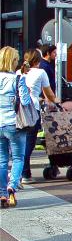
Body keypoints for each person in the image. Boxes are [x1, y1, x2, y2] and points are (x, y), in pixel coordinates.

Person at [16, 49, 57, 184]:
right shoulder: (41, 72)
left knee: (20, 142)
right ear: (37, 61)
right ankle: (25, 172)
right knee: (30, 142)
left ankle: (21, 172)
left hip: (19, 109)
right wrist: (56, 101)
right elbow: (49, 93)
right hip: (32, 110)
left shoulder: (19, 72)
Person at [0, 47, 32, 207]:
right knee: (18, 158)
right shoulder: (18, 79)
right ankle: (12, 185)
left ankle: (2, 194)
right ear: (13, 61)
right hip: (15, 124)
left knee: (2, 160)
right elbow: (25, 102)